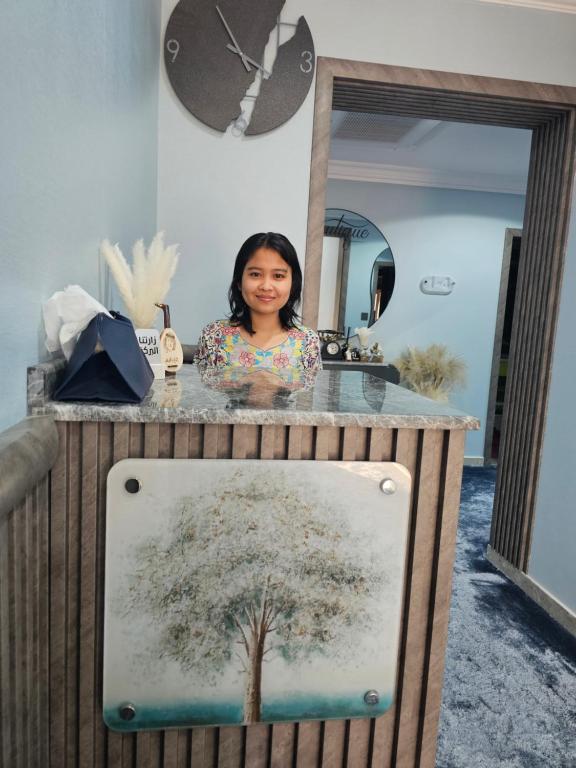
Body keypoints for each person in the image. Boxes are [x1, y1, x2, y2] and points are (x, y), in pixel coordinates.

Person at [196, 233, 322, 379]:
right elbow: (203, 396)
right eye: (255, 274)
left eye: (278, 276)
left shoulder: (308, 342)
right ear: (239, 281)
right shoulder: (213, 336)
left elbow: (307, 398)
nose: (266, 286)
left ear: (293, 284)